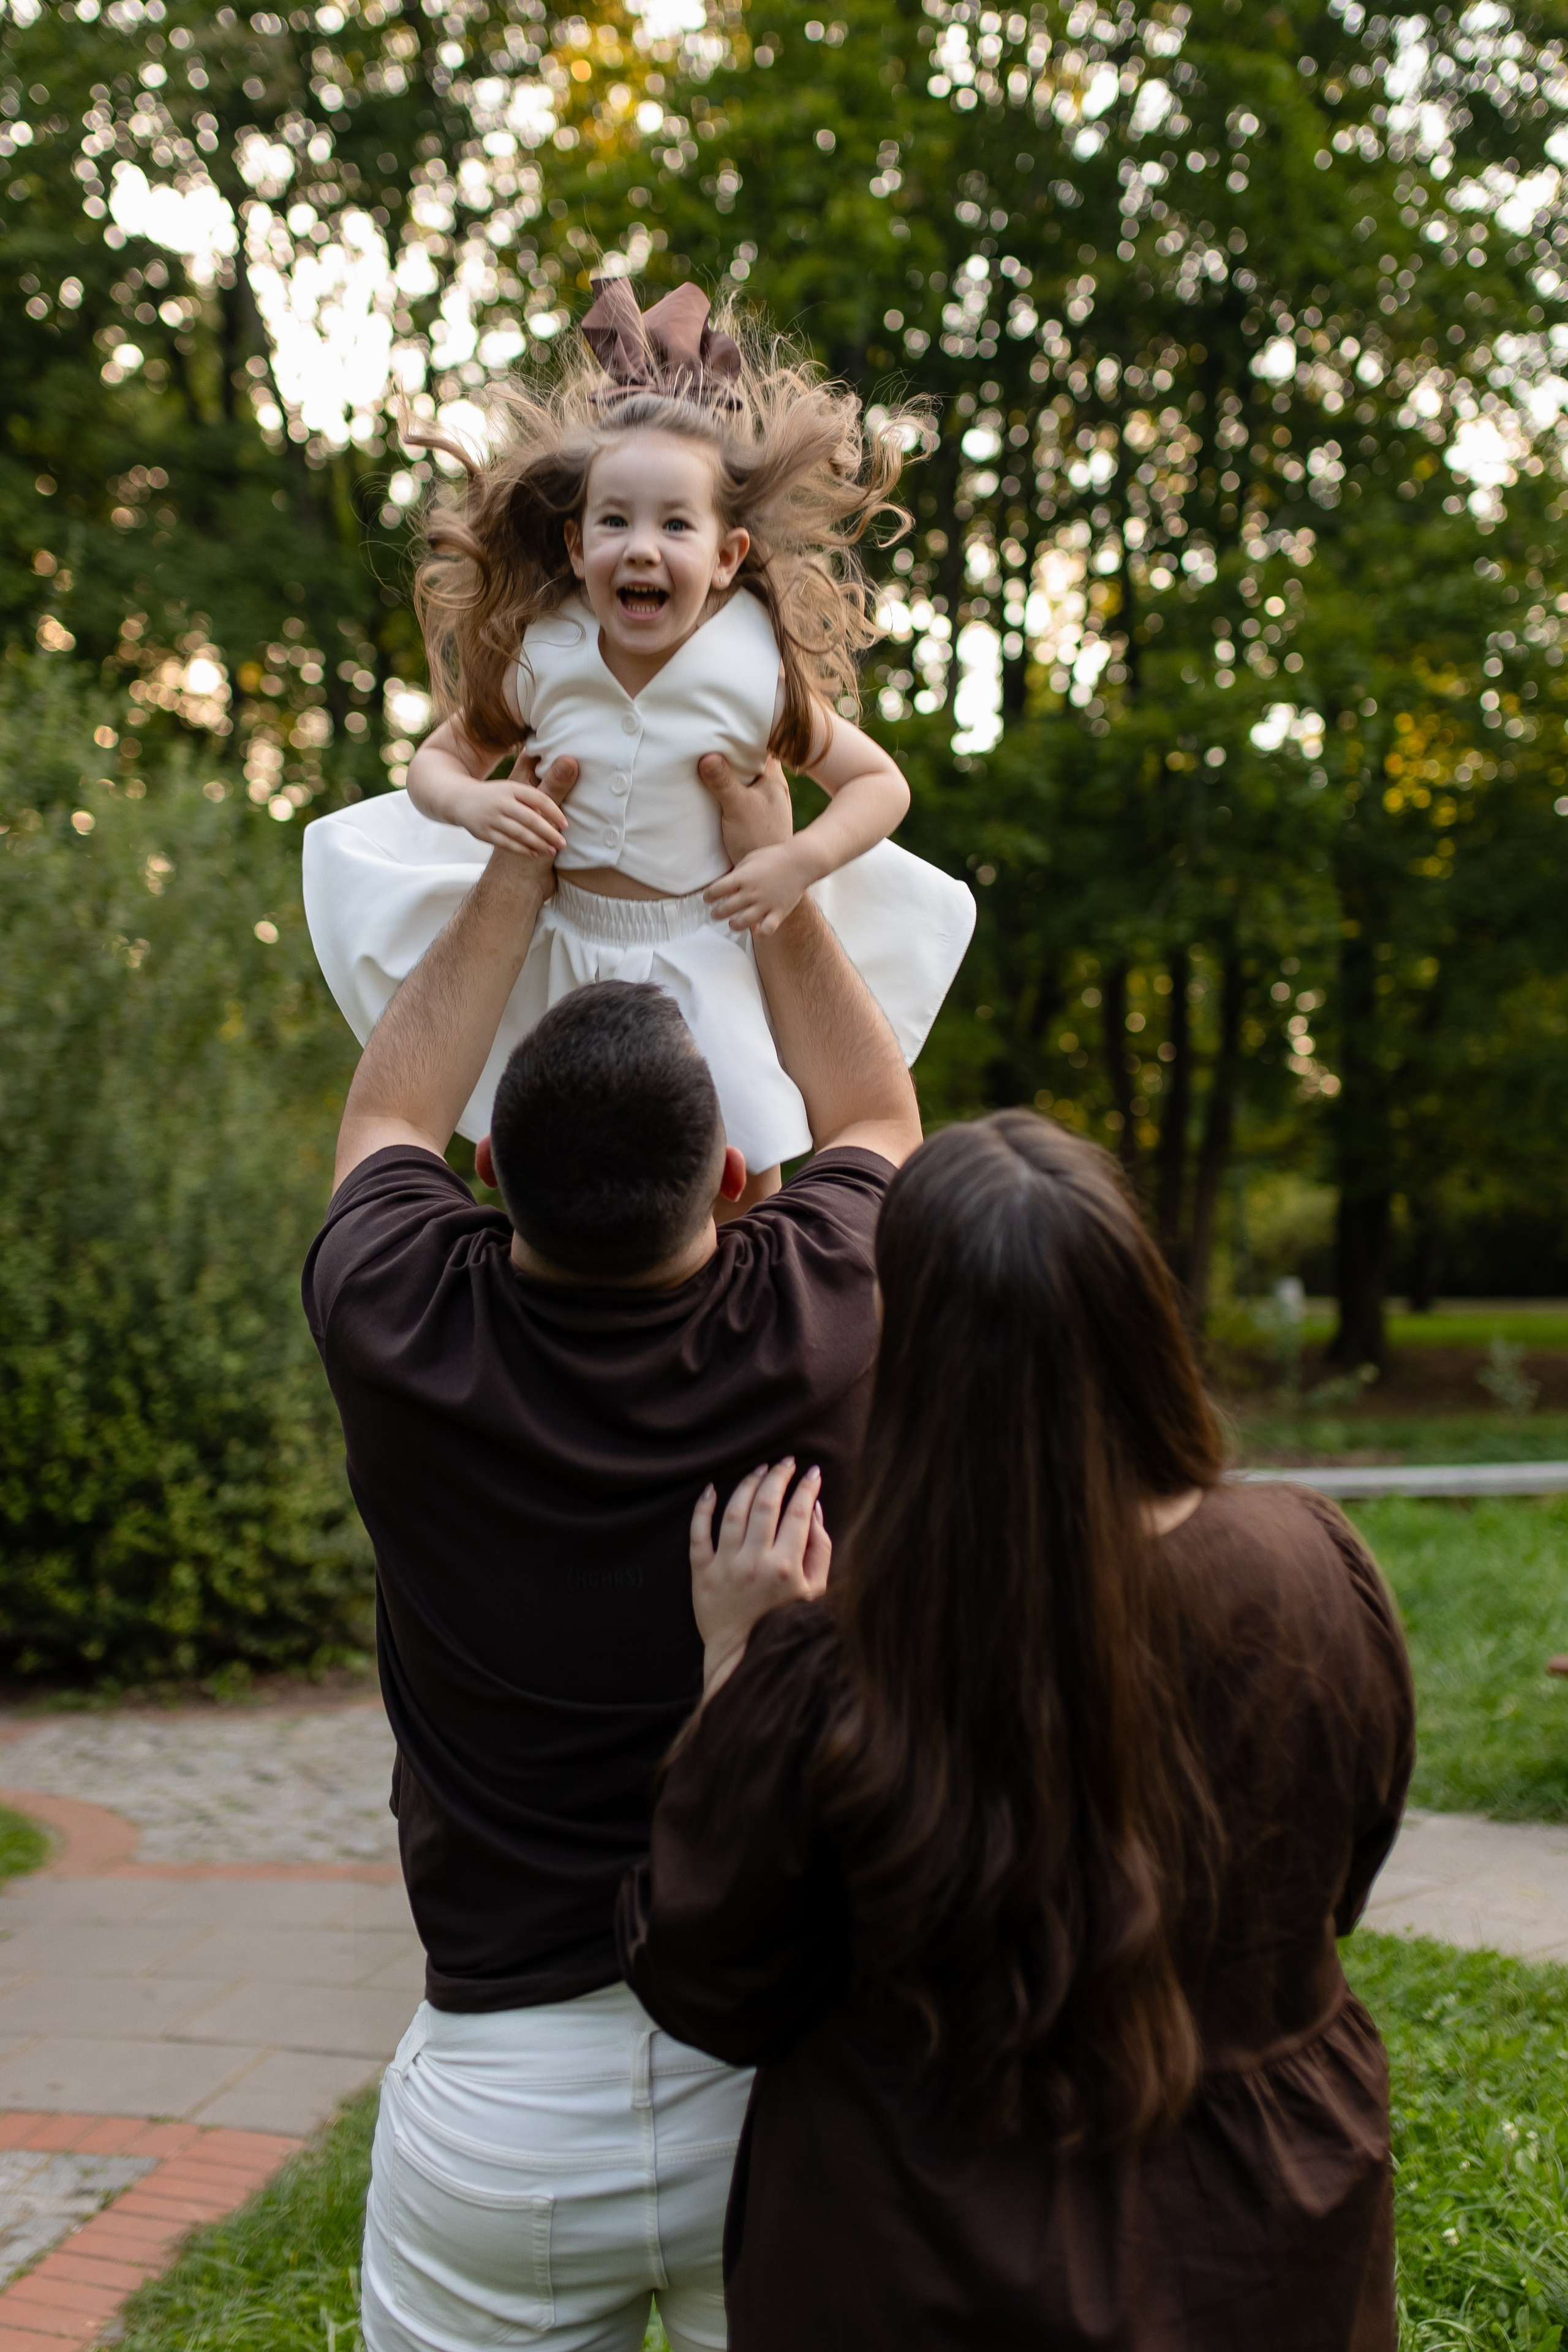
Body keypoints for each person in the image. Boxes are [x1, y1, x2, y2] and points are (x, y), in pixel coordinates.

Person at [301, 748, 923, 2352]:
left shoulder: (399, 1317)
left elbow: (389, 1110)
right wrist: (772, 865)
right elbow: (873, 1110)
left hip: (502, 2098)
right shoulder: (825, 1310)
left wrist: (517, 862)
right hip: (779, 2073)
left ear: (493, 1176)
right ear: (733, 1179)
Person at [617, 1112, 1417, 2352]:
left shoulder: (837, 1665)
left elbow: (706, 1976)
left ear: (916, 1345)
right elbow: (1340, 1878)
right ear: (1140, 1312)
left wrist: (735, 1659)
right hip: (1260, 2234)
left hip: (922, 2254)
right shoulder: (1315, 1566)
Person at [301, 277, 974, 1200]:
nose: (643, 547)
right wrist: (475, 801)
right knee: (557, 1178)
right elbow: (438, 764)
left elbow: (879, 786)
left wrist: (796, 861)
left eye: (675, 525)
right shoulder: (546, 654)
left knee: (745, 1180)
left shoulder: (756, 673)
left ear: (729, 556)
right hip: (563, 943)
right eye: (615, 521)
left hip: (705, 944)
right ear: (577, 548)